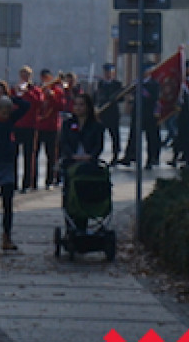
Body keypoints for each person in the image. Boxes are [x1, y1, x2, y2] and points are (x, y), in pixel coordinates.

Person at [0, 80, 32, 251]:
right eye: (2, 110)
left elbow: (26, 106)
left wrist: (11, 97)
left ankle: (7, 236)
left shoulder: (10, 120)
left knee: (8, 202)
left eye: (8, 111)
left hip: (7, 164)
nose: (5, 114)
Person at [58, 93, 105, 230]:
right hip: (71, 163)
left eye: (81, 105)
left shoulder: (96, 126)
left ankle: (82, 225)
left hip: (88, 165)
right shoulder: (68, 124)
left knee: (84, 195)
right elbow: (63, 143)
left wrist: (90, 156)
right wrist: (72, 155)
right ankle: (70, 226)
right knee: (69, 194)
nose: (78, 108)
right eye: (76, 105)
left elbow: (98, 145)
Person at [31, 69, 63, 190]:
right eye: (43, 77)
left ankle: (50, 180)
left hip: (52, 126)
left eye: (47, 77)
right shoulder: (39, 90)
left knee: (51, 155)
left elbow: (61, 106)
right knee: (35, 155)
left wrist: (52, 96)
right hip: (39, 126)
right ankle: (33, 182)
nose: (45, 79)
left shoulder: (57, 91)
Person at [12, 66, 42, 192]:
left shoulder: (35, 90)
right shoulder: (15, 89)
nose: (24, 77)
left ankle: (27, 183)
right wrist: (17, 91)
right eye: (22, 74)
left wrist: (27, 92)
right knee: (13, 155)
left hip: (30, 126)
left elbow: (38, 103)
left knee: (29, 155)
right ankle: (13, 182)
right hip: (17, 125)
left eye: (27, 75)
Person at [94, 63, 124, 162]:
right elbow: (97, 96)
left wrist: (115, 98)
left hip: (113, 113)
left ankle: (115, 155)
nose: (108, 74)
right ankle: (96, 154)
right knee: (99, 136)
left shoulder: (117, 84)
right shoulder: (101, 84)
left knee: (114, 135)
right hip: (102, 113)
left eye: (110, 72)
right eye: (106, 72)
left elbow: (122, 98)